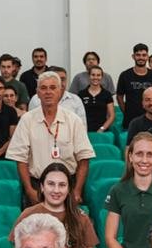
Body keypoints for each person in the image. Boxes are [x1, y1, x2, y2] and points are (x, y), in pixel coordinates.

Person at [7, 71, 95, 206]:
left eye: (53, 88)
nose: (48, 92)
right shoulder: (27, 120)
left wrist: (77, 190)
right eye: (43, 88)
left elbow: (84, 158)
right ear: (37, 93)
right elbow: (21, 159)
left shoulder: (73, 120)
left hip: (67, 186)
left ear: (61, 91)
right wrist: (29, 190)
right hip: (37, 186)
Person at [10, 163, 97, 248]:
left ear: (69, 188)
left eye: (62, 185)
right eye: (51, 184)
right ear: (42, 187)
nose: (56, 190)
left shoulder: (81, 217)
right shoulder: (28, 214)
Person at [115, 44, 152, 126]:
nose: (141, 58)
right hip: (131, 121)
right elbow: (119, 97)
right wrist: (126, 112)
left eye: (144, 55)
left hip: (151, 119)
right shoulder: (125, 75)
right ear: (133, 56)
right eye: (138, 55)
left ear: (147, 57)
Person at [78, 65, 115, 132]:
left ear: (102, 77)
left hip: (102, 133)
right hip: (84, 131)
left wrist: (102, 129)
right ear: (89, 76)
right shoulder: (81, 94)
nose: (95, 77)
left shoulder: (107, 94)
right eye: (93, 75)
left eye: (98, 75)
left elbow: (111, 116)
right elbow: (78, 115)